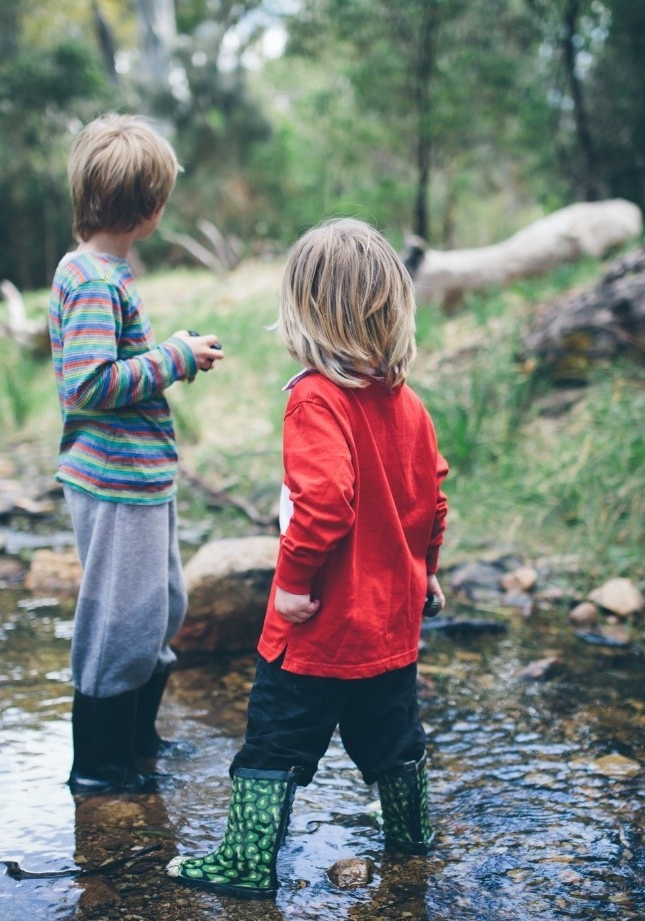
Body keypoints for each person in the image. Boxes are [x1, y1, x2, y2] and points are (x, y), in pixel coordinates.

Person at [167, 218, 449, 898]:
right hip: (388, 627)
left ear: (304, 313)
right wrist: (428, 570)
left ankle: (245, 861)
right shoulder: (407, 405)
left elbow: (325, 501)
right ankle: (411, 837)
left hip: (317, 626)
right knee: (395, 741)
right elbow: (432, 499)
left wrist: (291, 582)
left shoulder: (313, 399)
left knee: (274, 742)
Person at [48, 113, 225, 795]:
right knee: (120, 618)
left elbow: (114, 360)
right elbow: (87, 384)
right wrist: (175, 358)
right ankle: (99, 764)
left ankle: (138, 739)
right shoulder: (93, 279)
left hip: (139, 476)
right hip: (115, 478)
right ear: (150, 209)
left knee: (162, 606)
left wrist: (164, 352)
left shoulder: (100, 270)